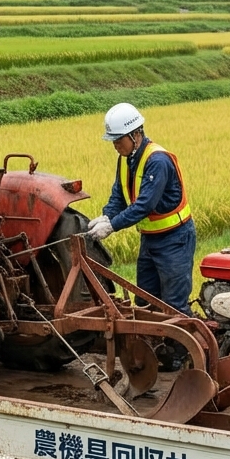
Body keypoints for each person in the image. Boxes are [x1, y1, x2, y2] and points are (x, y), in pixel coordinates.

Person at [87, 103, 196, 315]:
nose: (116, 145)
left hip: (175, 241)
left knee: (174, 306)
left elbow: (144, 205)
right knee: (145, 300)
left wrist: (112, 226)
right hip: (150, 240)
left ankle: (182, 348)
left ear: (135, 134)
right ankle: (155, 346)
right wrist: (106, 215)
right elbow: (118, 195)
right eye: (113, 141)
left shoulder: (158, 161)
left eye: (119, 140)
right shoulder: (125, 160)